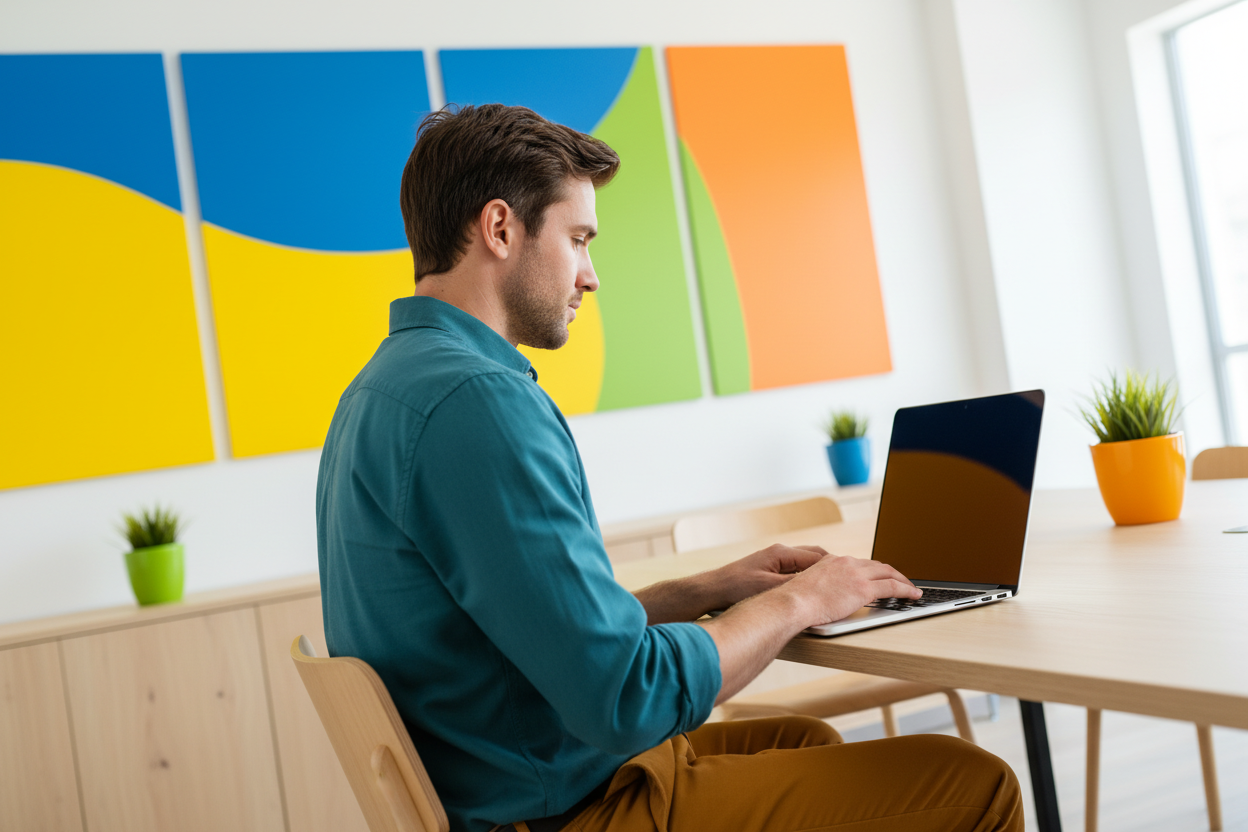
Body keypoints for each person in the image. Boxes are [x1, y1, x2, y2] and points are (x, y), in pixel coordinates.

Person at [317, 103, 1023, 832]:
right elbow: (625, 699)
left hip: (515, 776)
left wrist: (708, 589)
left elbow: (536, 635)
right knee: (977, 783)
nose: (590, 276)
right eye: (579, 239)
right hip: (563, 810)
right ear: (500, 229)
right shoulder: (478, 402)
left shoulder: (382, 391)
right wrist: (800, 602)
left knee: (802, 739)